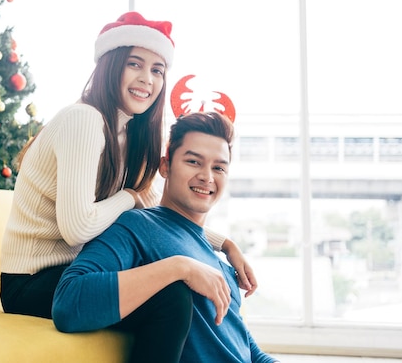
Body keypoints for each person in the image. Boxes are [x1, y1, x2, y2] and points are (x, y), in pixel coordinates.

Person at [0, 12, 257, 360]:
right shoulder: (84, 120)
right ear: (111, 65)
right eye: (135, 64)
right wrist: (128, 197)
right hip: (30, 280)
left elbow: (158, 217)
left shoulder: (129, 135)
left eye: (157, 70)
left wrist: (225, 245)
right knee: (171, 292)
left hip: (78, 263)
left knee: (166, 273)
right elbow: (76, 229)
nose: (146, 79)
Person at [52, 111, 280, 363]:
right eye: (193, 162)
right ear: (165, 166)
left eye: (219, 167)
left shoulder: (220, 263)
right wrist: (178, 268)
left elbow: (245, 348)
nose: (207, 176)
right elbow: (68, 302)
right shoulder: (135, 226)